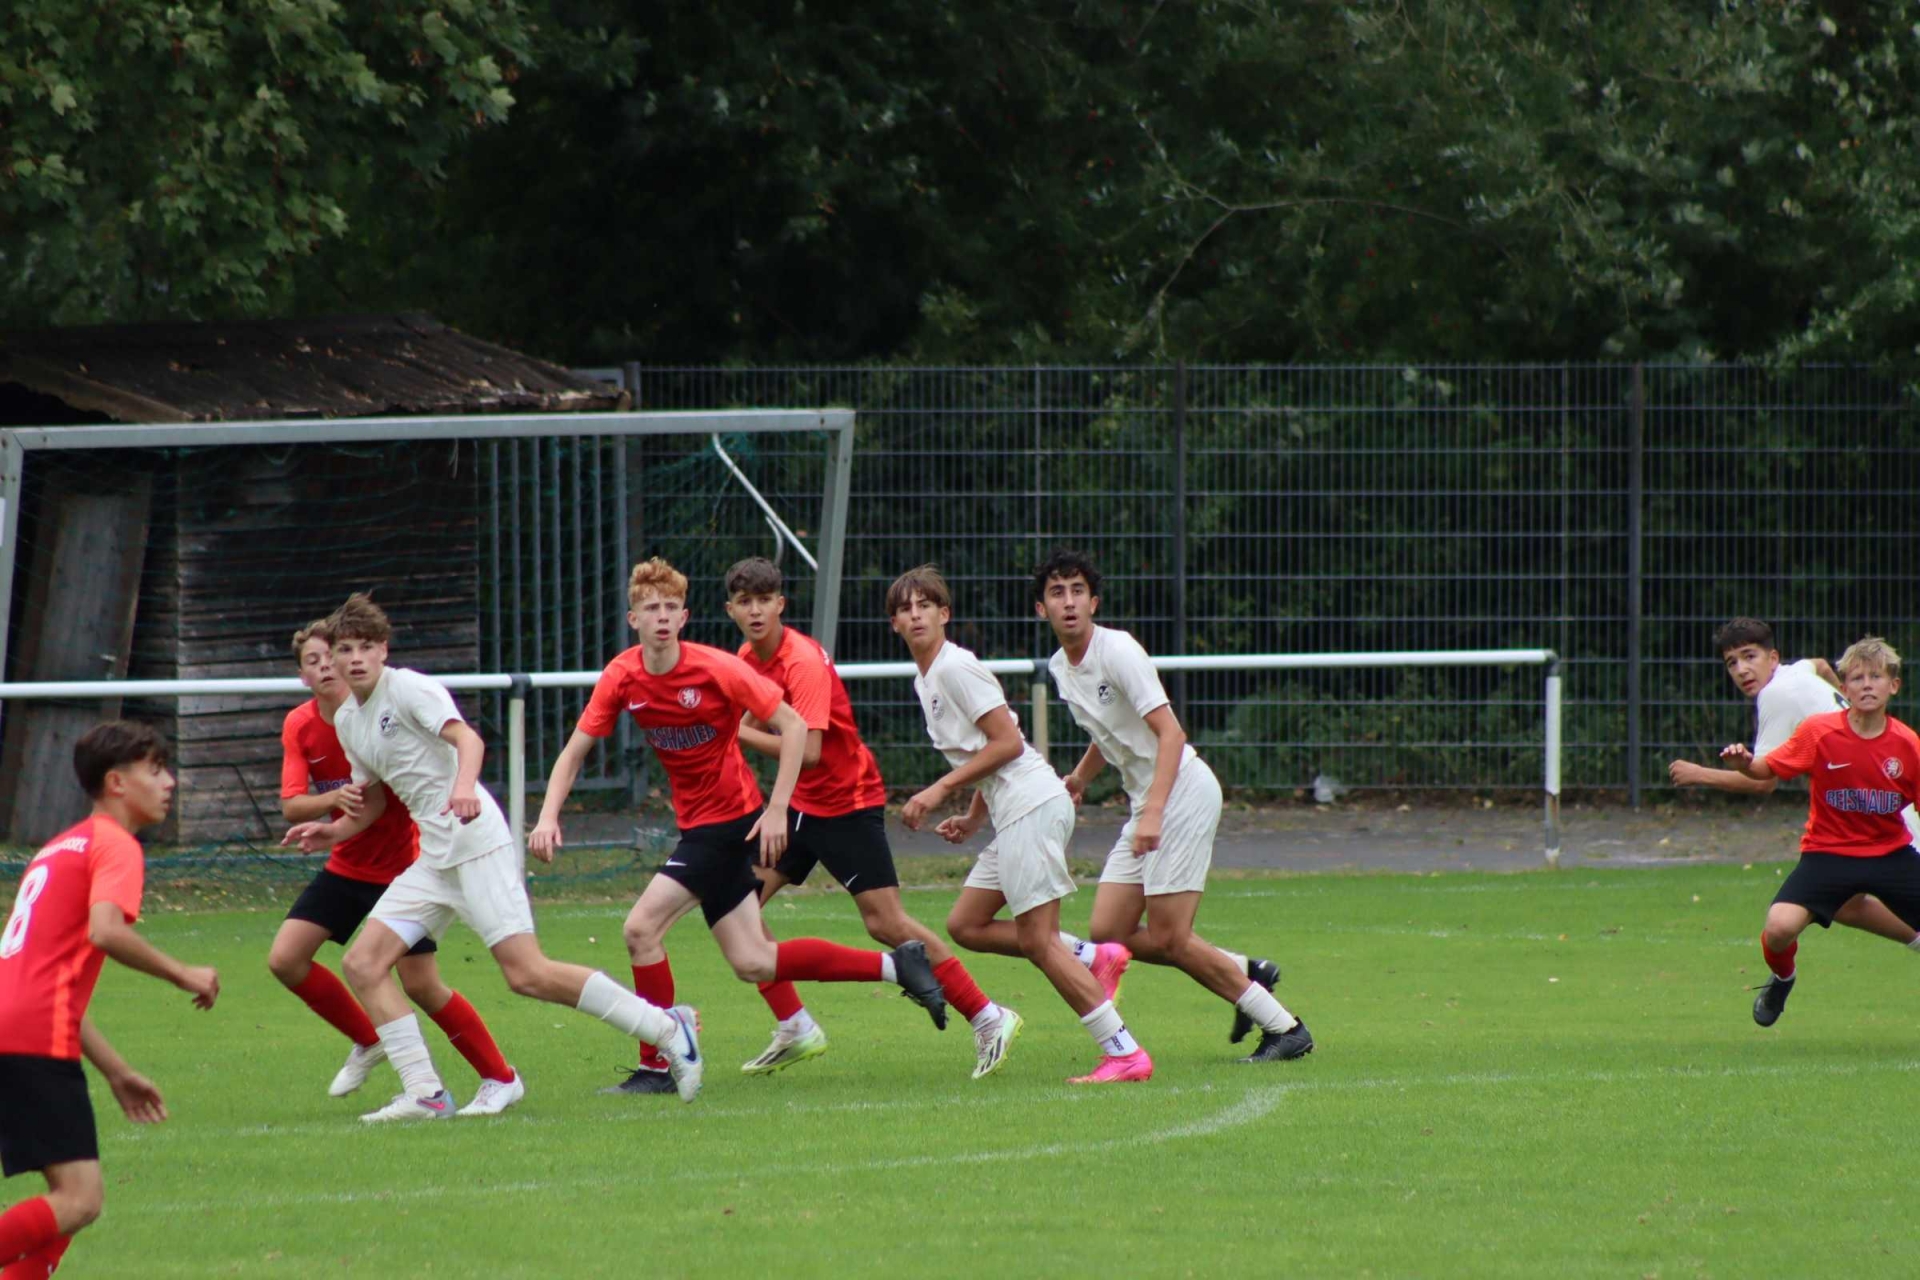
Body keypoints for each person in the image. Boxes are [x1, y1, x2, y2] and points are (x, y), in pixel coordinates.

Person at [529, 558, 947, 1097]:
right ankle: (895, 966)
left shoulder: (717, 668)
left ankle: (658, 1062)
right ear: (633, 619)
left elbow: (794, 728)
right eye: (651, 608)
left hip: (728, 824)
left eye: (671, 607)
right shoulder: (622, 675)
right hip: (700, 826)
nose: (662, 617)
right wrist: (548, 815)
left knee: (640, 929)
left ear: (685, 617)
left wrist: (777, 810)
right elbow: (574, 751)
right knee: (753, 960)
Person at [287, 593, 703, 1118]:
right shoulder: (350, 719)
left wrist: (463, 788)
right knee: (363, 963)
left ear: (383, 650)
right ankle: (425, 1093)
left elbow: (469, 740)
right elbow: (371, 804)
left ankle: (667, 1027)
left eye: (365, 647)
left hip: (476, 842)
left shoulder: (408, 688)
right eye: (345, 649)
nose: (354, 659)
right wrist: (331, 832)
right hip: (436, 858)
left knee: (526, 974)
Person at [724, 556, 1020, 1080]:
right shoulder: (749, 656)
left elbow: (808, 750)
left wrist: (732, 734)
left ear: (780, 605)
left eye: (763, 600)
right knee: (737, 903)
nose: (755, 611)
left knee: (886, 923)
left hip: (846, 800)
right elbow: (746, 719)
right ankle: (794, 1024)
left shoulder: (802, 661)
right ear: (731, 610)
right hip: (800, 803)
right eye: (744, 602)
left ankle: (988, 1015)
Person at [1032, 549, 1311, 1063]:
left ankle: (1285, 1027)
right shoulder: (1059, 667)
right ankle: (1246, 971)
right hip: (1150, 801)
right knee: (1109, 933)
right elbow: (1107, 731)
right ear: (1041, 608)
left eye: (1077, 591)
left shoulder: (1118, 651)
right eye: (1056, 592)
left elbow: (1171, 733)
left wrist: (1155, 811)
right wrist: (1080, 778)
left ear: (1093, 603)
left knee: (1170, 936)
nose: (1068, 602)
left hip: (1181, 792)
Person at [891, 564, 1153, 1083]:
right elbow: (988, 752)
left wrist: (940, 789)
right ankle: (1094, 955)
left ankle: (1124, 1052)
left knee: (1038, 941)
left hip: (1033, 803)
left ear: (944, 614)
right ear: (895, 623)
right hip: (1015, 809)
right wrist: (973, 817)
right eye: (905, 608)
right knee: (966, 925)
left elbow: (1008, 744)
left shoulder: (954, 668)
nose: (915, 615)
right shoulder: (928, 678)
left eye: (925, 605)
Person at [0, 721, 220, 1276]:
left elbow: (51, 984)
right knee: (80, 1199)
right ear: (117, 783)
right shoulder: (115, 844)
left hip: (21, 1025)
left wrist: (116, 1071)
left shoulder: (58, 847)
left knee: (69, 1203)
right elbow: (106, 931)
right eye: (156, 770)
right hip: (31, 1033)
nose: (169, 782)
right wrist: (182, 973)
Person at [273, 619, 517, 1102]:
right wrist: (333, 806)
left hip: (405, 867)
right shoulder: (305, 725)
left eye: (330, 656)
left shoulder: (383, 709)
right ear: (303, 675)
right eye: (314, 661)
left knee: (422, 985)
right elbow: (291, 805)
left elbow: (408, 783)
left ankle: (500, 1077)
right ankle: (371, 1040)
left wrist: (459, 788)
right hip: (348, 864)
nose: (327, 667)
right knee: (285, 959)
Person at [1669, 617, 1920, 949]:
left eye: (1749, 656)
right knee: (1842, 902)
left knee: (1847, 898)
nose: (1742, 669)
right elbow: (1821, 665)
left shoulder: (1776, 694)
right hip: (1850, 829)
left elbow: (1763, 783)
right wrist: (1843, 699)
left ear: (1772, 657)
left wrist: (1699, 774)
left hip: (1890, 820)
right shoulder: (1797, 671)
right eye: (1732, 662)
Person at [1720, 636, 1920, 1027]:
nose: (1866, 685)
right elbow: (1766, 769)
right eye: (1857, 678)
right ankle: (1783, 978)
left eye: (1876, 677)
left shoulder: (1907, 745)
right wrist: (1745, 763)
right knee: (1778, 928)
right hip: (1827, 855)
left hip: (1889, 854)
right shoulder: (1819, 732)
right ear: (1844, 688)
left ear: (1893, 685)